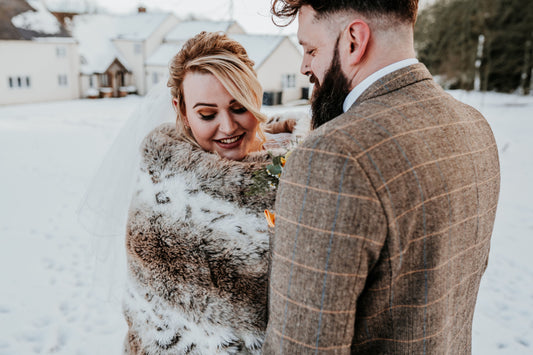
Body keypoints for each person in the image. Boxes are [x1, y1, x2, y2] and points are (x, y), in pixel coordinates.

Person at [263, 1, 500, 354]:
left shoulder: (331, 157)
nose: (304, 67)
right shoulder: (473, 126)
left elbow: (301, 346)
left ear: (354, 40)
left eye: (311, 49)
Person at [122, 31, 305, 354]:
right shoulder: (162, 188)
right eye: (207, 114)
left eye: (239, 107)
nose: (228, 127)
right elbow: (154, 320)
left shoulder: (297, 161)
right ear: (182, 111)